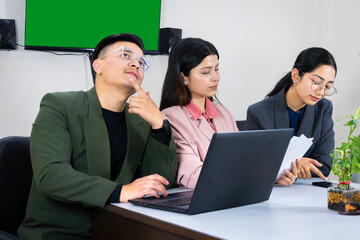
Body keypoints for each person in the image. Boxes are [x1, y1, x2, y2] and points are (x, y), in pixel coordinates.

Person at [18, 33, 177, 240]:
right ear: (98, 66)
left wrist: (159, 126)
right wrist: (121, 191)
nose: (136, 64)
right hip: (59, 233)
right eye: (126, 55)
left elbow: (158, 184)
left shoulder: (139, 120)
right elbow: (51, 175)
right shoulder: (60, 105)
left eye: (141, 61)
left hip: (116, 230)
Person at [246, 47, 337, 186]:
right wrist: (299, 163)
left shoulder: (323, 108)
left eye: (327, 86)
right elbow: (254, 166)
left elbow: (323, 166)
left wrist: (287, 165)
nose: (321, 92)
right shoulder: (258, 112)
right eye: (316, 82)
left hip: (306, 193)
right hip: (271, 193)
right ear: (295, 75)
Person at [160, 38, 238, 188]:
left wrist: (273, 175)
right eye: (206, 72)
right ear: (183, 78)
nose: (215, 77)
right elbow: (195, 176)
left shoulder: (223, 113)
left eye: (216, 69)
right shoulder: (171, 118)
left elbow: (244, 158)